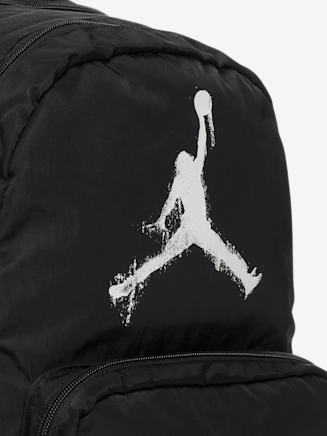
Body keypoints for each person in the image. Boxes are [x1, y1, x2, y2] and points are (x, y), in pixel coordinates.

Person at [109, 89, 262, 323]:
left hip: (186, 229)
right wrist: (201, 117)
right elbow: (202, 144)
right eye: (186, 157)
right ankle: (246, 279)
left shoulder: (179, 182)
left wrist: (161, 222)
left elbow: (168, 205)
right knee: (222, 251)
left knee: (161, 259)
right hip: (198, 227)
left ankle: (127, 285)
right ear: (185, 163)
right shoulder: (193, 172)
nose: (189, 157)